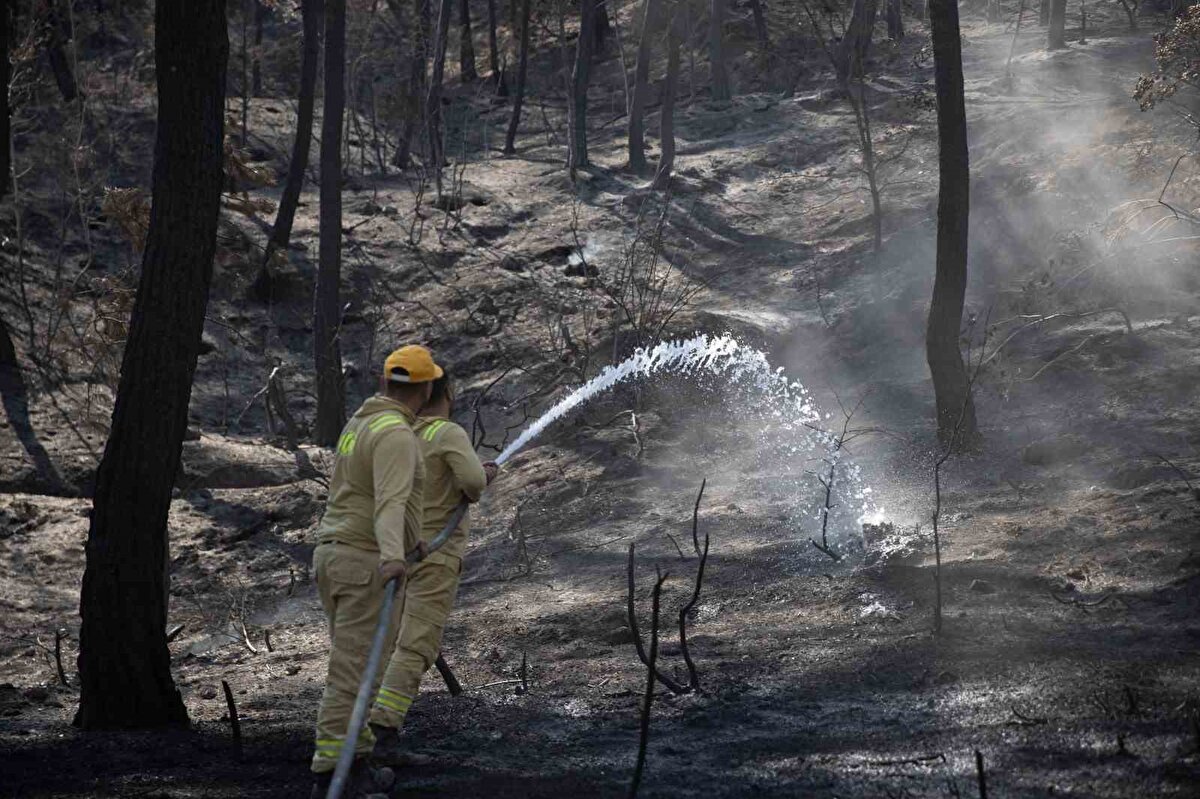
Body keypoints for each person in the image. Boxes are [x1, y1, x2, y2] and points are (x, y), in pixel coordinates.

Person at [308, 345, 444, 799]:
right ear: (426, 389)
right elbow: (390, 501)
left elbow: (360, 494)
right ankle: (335, 775)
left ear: (386, 382)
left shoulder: (360, 424)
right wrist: (392, 557)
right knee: (353, 676)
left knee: (358, 667)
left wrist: (410, 542)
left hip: (335, 556)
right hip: (365, 562)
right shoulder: (396, 435)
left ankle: (357, 762)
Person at [368, 371, 498, 765]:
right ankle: (381, 733)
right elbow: (472, 483)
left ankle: (358, 726)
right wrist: (485, 475)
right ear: (447, 393)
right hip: (434, 559)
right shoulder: (447, 433)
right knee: (415, 645)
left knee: (387, 641)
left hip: (392, 554)